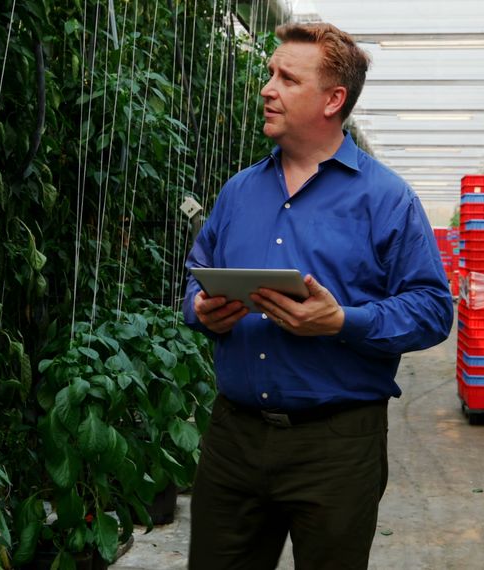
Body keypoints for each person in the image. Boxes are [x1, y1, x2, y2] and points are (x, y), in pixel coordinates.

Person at [182, 22, 454, 570]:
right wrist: (201, 308)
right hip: (233, 437)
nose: (268, 87)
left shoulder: (387, 199)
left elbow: (432, 309)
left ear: (333, 100)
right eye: (270, 74)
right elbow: (196, 276)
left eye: (287, 77)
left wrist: (342, 321)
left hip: (335, 444)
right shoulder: (239, 192)